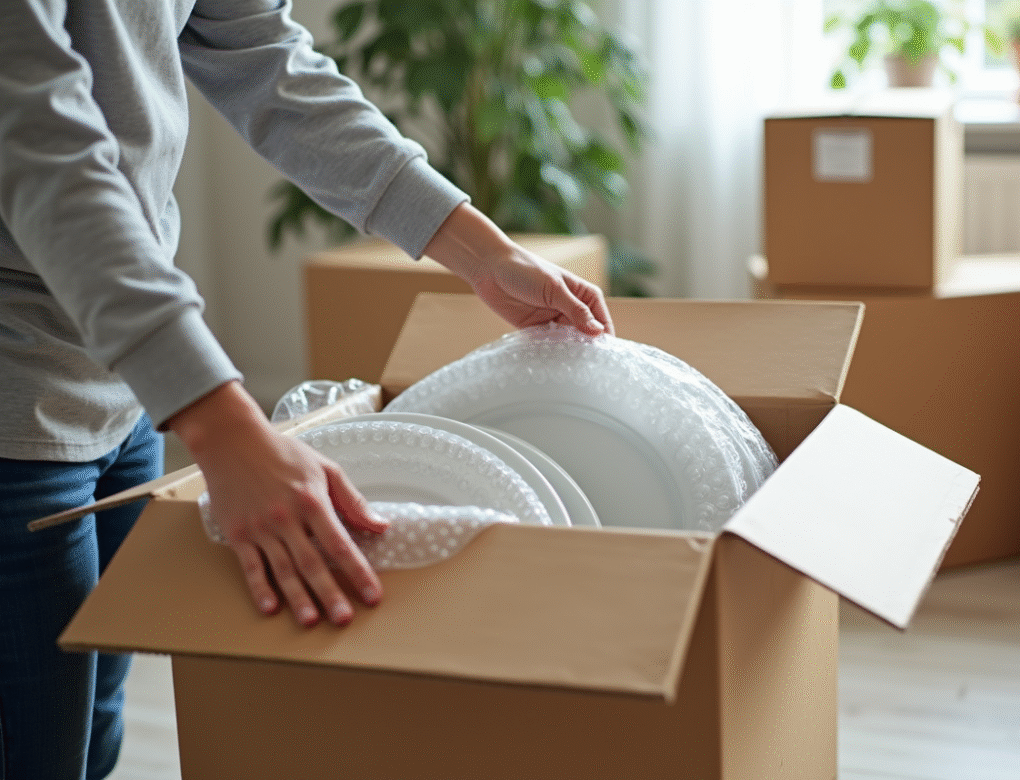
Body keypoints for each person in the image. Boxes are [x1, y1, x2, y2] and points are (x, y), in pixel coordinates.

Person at [0, 1, 614, 778]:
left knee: (94, 737)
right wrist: (226, 428)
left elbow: (267, 59)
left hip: (123, 379)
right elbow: (35, 141)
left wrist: (483, 252)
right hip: (19, 387)